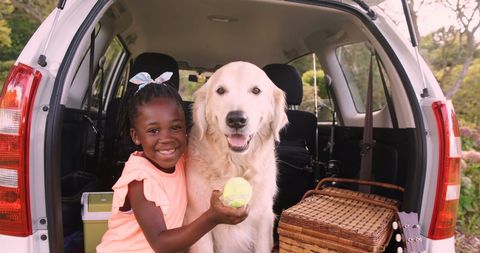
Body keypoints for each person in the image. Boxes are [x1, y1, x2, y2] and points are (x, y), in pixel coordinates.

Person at [96, 72, 248, 253]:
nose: (166, 139)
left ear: (186, 130)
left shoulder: (182, 159)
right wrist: (212, 217)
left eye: (175, 128)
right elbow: (161, 244)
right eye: (153, 131)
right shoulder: (140, 179)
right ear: (136, 136)